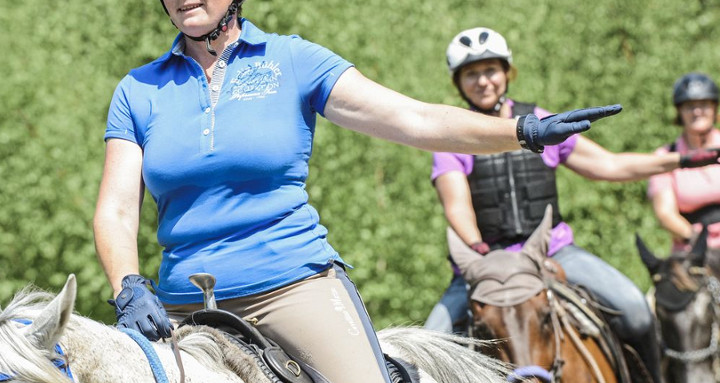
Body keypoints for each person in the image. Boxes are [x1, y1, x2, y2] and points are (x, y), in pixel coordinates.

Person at [93, 2, 622, 382]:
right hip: (181, 304)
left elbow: (411, 118)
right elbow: (117, 210)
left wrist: (522, 132)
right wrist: (127, 286)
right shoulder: (138, 90)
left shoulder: (293, 61)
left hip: (290, 286)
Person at [424, 27, 720, 383]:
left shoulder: (541, 124)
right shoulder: (452, 136)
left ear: (506, 73)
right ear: (458, 82)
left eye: (490, 70)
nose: (483, 81)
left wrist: (682, 161)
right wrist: (479, 251)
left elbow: (610, 165)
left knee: (636, 311)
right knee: (428, 346)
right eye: (471, 73)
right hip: (489, 264)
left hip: (555, 252)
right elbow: (456, 206)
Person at [648, 73, 720, 252]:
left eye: (703, 104)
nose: (697, 111)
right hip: (694, 248)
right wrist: (701, 244)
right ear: (680, 111)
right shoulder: (666, 157)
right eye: (690, 106)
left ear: (714, 108)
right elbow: (665, 214)